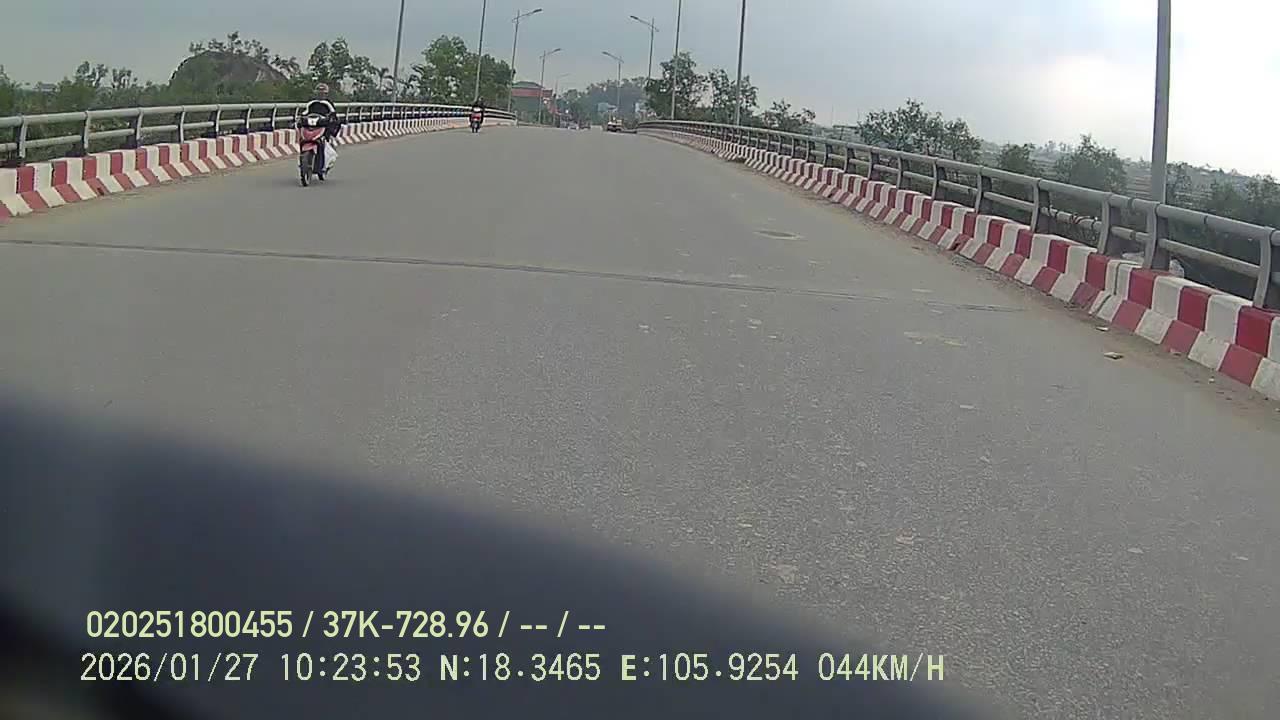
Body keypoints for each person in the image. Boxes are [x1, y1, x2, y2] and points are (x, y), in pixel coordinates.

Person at [304, 83, 342, 174]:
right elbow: (305, 112)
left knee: (325, 140)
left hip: (324, 127)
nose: (320, 95)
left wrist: (332, 121)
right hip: (312, 126)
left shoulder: (328, 104)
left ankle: (323, 164)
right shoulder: (311, 103)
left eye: (322, 93)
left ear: (326, 94)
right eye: (319, 93)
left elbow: (334, 115)